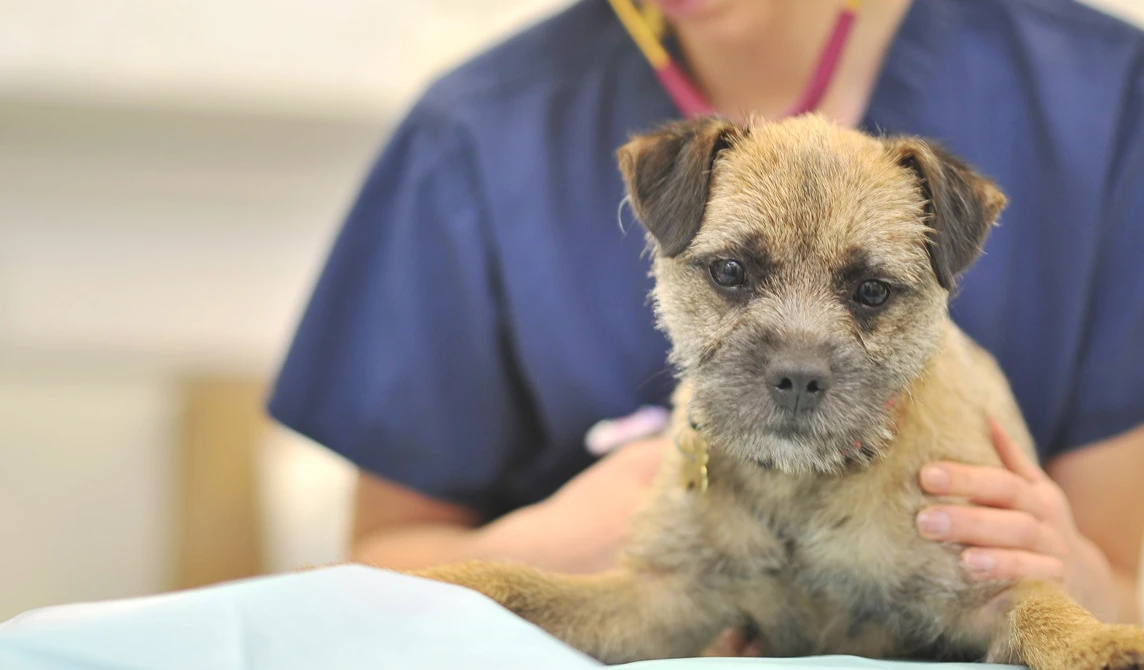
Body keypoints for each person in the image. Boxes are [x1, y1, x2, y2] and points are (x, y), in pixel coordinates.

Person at [267, 0, 1144, 632]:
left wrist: (1078, 588)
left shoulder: (1103, 102)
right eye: (729, 273)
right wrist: (553, 545)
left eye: (870, 292)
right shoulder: (478, 132)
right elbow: (372, 576)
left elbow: (1127, 587)